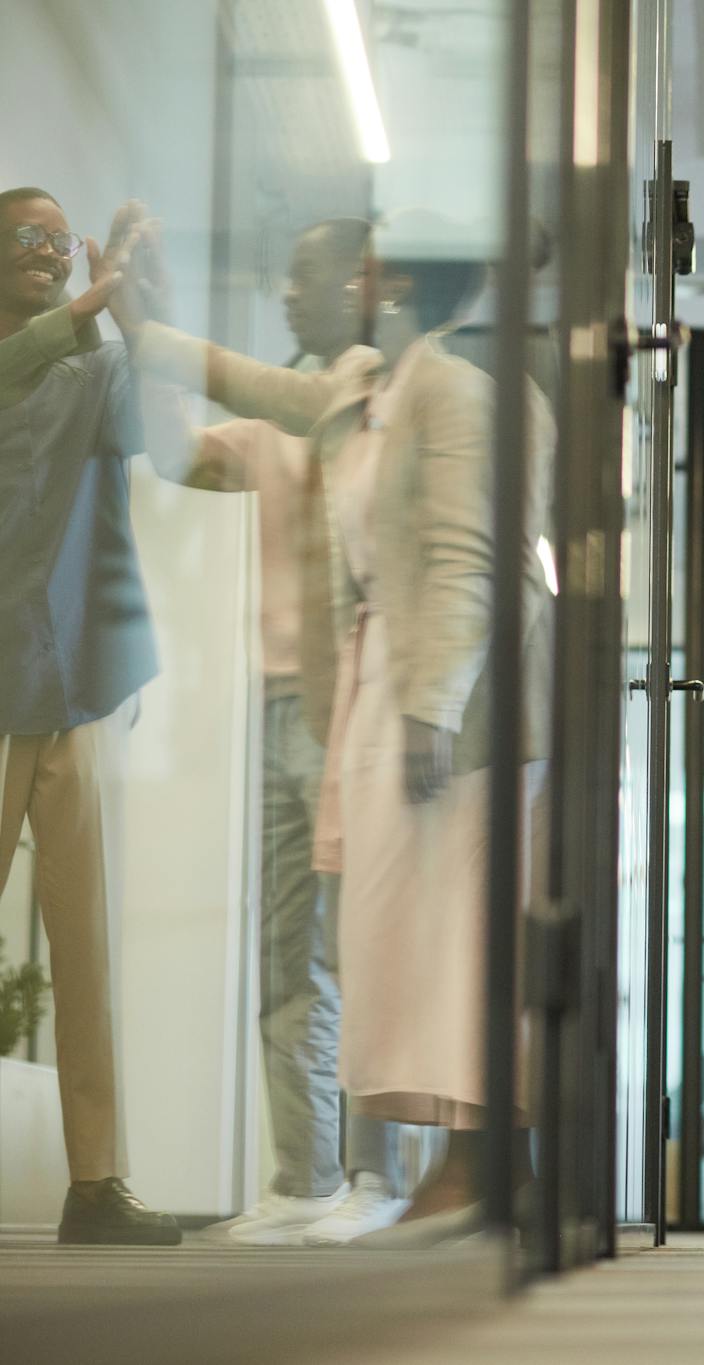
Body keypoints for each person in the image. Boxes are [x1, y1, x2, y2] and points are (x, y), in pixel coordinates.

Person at [123, 210, 556, 1247]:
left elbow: (466, 560)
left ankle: (466, 1170)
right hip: (386, 689)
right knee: (408, 940)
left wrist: (428, 707)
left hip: (457, 705)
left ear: (388, 284)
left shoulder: (450, 391)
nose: (297, 292)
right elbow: (254, 399)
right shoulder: (372, 393)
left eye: (326, 273)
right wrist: (151, 331)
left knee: (455, 941)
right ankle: (456, 1171)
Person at [146, 219, 406, 1248]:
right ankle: (302, 1182)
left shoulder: (379, 401)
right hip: (271, 712)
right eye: (286, 280)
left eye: (303, 276)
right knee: (287, 956)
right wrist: (147, 319)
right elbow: (179, 455)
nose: (289, 295)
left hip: (361, 713)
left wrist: (159, 325)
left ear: (360, 283)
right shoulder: (267, 431)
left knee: (366, 953)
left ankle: (374, 1177)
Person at [0, 188, 179, 1245]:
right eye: (27, 235)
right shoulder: (26, 356)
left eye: (60, 242)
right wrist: (87, 304)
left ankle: (96, 1184)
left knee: (84, 952)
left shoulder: (93, 369)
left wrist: (134, 305)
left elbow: (165, 419)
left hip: (65, 690)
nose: (47, 250)